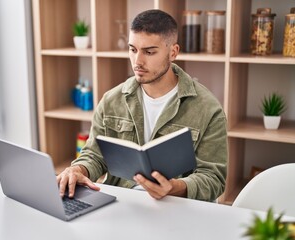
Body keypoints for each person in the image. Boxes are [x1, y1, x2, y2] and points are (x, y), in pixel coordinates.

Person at [57, 9, 228, 202]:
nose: (138, 61)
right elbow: (94, 155)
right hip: (122, 204)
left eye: (149, 52)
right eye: (133, 49)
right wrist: (77, 169)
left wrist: (174, 188)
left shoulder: (208, 109)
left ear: (173, 52)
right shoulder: (111, 100)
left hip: (176, 208)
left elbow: (214, 179)